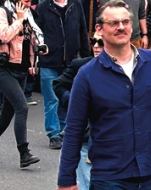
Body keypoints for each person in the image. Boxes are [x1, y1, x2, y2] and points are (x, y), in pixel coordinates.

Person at [57, 0, 151, 189]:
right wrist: (66, 179)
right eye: (113, 23)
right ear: (99, 29)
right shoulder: (87, 75)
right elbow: (74, 129)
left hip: (149, 172)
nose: (121, 27)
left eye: (125, 22)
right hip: (108, 176)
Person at [0, 0, 42, 169]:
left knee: (9, 111)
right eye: (26, 2)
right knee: (22, 107)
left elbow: (30, 40)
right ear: (16, 0)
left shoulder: (27, 14)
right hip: (3, 67)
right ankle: (24, 153)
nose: (30, 5)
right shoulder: (2, 12)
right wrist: (19, 20)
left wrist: (32, 62)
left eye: (31, 2)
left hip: (21, 68)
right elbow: (4, 36)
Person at [35, 0, 89, 150]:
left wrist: (87, 57)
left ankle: (67, 129)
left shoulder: (76, 5)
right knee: (51, 99)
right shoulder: (43, 7)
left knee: (69, 97)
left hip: (70, 62)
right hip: (49, 61)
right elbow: (36, 34)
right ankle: (53, 134)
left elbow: (82, 31)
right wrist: (36, 55)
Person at [53, 32, 105, 190]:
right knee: (87, 182)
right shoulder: (81, 66)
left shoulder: (126, 69)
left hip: (113, 140)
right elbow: (58, 84)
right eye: (93, 41)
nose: (96, 46)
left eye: (100, 42)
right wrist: (75, 102)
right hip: (86, 136)